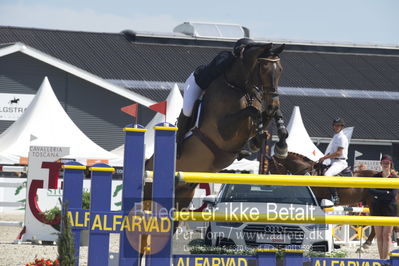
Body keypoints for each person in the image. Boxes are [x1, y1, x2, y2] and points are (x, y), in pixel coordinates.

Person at [176, 38, 255, 158]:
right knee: (188, 110)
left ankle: (238, 148)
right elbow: (212, 76)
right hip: (198, 83)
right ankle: (178, 142)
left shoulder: (243, 68)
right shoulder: (225, 57)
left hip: (212, 90)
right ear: (240, 51)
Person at [369, 155, 398, 259]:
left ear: (390, 164)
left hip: (390, 208)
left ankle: (385, 260)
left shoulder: (394, 178)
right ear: (380, 164)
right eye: (383, 163)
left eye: (387, 163)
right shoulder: (375, 177)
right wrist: (385, 192)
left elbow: (392, 194)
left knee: (387, 235)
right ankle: (381, 260)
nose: (385, 165)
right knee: (379, 236)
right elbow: (370, 191)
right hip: (377, 207)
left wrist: (379, 193)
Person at [318, 118, 349, 204]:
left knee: (327, 175)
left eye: (338, 125)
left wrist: (325, 157)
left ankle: (335, 196)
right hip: (333, 161)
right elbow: (332, 151)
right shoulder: (336, 136)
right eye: (335, 125)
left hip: (340, 162)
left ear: (341, 127)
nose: (336, 127)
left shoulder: (342, 137)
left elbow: (339, 153)